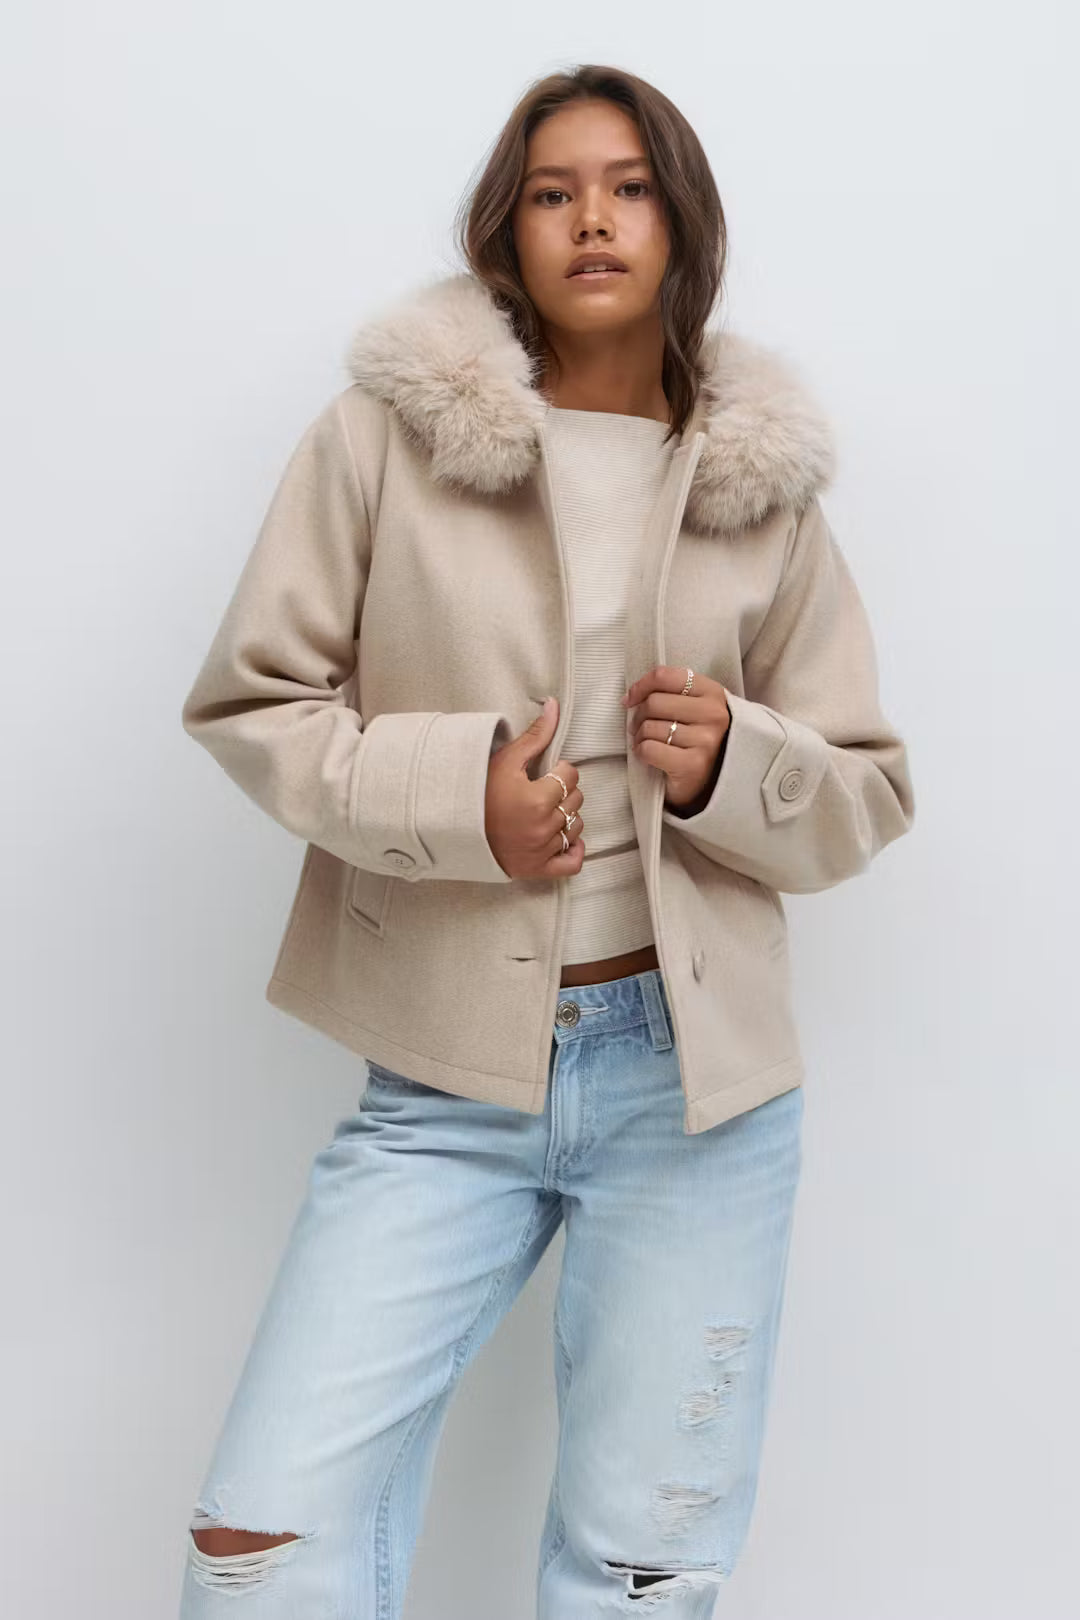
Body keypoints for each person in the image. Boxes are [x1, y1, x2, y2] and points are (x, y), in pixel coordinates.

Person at [177, 62, 914, 1618]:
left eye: (630, 187)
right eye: (553, 191)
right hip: (441, 1078)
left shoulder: (762, 486)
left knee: (640, 1576)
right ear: (505, 230)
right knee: (261, 1544)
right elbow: (254, 702)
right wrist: (464, 801)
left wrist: (736, 764)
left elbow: (865, 793)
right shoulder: (383, 440)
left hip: (697, 1096)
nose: (593, 219)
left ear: (680, 223)